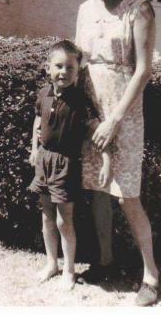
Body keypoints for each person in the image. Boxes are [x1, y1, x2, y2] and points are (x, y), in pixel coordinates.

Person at [75, 0, 159, 306]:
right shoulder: (85, 10)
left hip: (124, 115)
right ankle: (106, 260)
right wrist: (93, 119)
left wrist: (115, 120)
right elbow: (81, 63)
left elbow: (143, 70)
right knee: (97, 190)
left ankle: (151, 276)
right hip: (94, 113)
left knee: (128, 196)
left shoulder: (139, 9)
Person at [28, 39, 111, 291]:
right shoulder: (43, 93)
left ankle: (69, 270)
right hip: (44, 160)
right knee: (46, 217)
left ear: (78, 71)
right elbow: (37, 121)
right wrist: (34, 149)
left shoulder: (80, 102)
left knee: (65, 221)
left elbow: (98, 133)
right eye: (58, 66)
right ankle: (51, 263)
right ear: (48, 68)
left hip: (66, 165)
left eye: (70, 68)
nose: (63, 72)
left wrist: (107, 161)